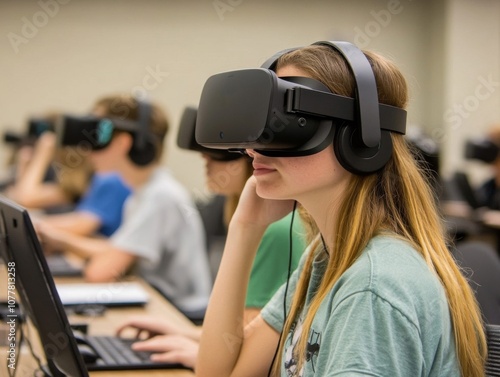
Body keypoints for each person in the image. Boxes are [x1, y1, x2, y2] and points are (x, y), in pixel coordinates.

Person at [195, 42, 487, 376]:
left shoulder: (373, 287)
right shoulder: (325, 258)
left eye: (290, 122)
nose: (252, 148)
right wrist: (245, 229)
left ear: (359, 139)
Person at [114, 107, 306, 368]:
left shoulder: (276, 229)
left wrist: (197, 352)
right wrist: (182, 332)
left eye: (221, 154)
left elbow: (247, 340)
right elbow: (245, 333)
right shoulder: (246, 217)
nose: (204, 158)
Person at [38, 94, 212, 319]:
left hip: (178, 314)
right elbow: (116, 251)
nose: (88, 148)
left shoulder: (160, 197)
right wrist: (62, 240)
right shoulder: (143, 193)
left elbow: (100, 271)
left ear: (123, 143)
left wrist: (66, 242)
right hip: (159, 303)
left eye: (98, 134)